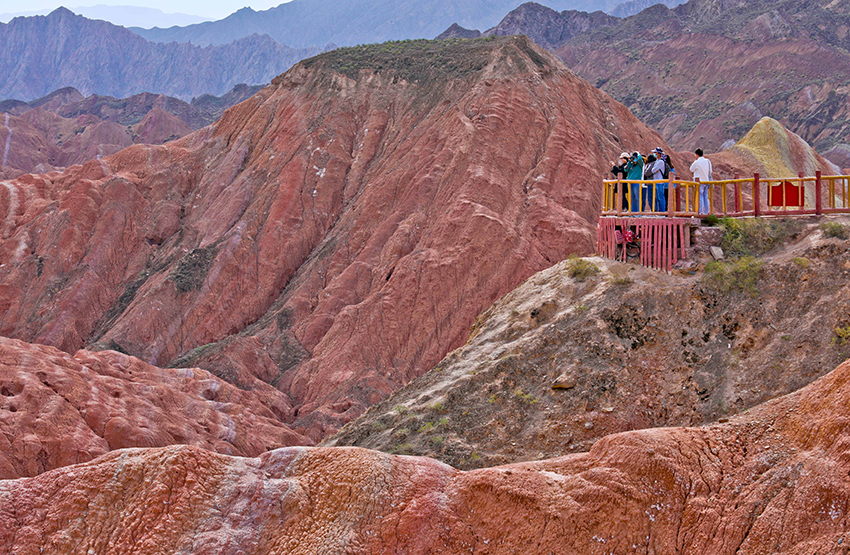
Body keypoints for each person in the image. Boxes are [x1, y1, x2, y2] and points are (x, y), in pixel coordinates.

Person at [689, 148, 713, 214]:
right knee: (706, 197)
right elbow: (710, 171)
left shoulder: (697, 162)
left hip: (699, 182)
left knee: (700, 197)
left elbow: (691, 169)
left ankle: (700, 212)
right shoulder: (707, 161)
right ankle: (707, 212)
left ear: (696, 155)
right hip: (707, 181)